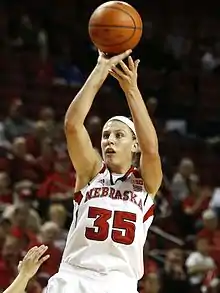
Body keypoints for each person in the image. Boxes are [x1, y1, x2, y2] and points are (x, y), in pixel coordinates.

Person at [46, 49, 162, 293]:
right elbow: (72, 125)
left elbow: (151, 149)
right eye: (106, 135)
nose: (109, 140)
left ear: (134, 145)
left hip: (119, 282)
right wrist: (101, 67)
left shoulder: (145, 183)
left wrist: (131, 89)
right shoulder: (90, 173)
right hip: (74, 277)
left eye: (119, 135)